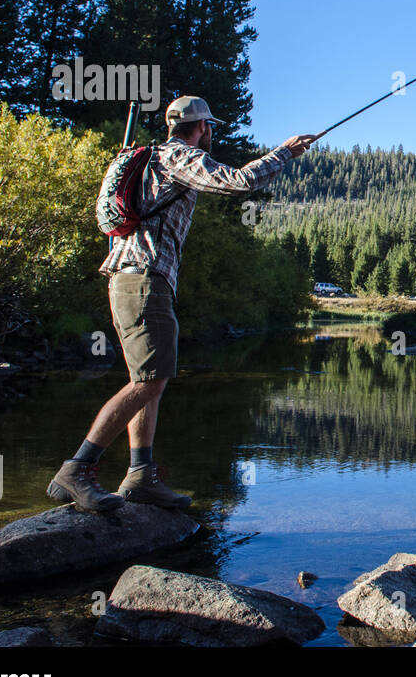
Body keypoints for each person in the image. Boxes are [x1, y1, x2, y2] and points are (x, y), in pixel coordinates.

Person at [47, 95, 317, 512]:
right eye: (210, 127)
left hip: (136, 277)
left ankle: (140, 476)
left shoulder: (152, 156)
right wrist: (285, 151)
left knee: (149, 378)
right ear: (202, 127)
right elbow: (238, 181)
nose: (211, 134)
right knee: (148, 382)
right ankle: (78, 469)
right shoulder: (178, 156)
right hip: (143, 278)